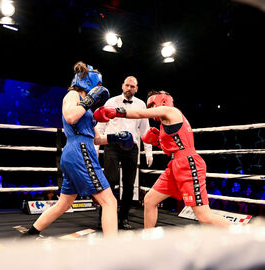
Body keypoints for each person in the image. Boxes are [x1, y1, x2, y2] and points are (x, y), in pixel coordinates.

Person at [23, 61, 134, 238]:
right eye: (97, 84)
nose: (99, 88)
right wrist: (89, 100)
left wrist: (116, 137)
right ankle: (114, 249)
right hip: (79, 151)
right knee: (109, 201)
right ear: (88, 82)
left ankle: (29, 235)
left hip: (79, 150)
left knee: (64, 204)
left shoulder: (86, 107)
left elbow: (96, 138)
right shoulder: (73, 95)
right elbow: (70, 117)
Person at [94, 90, 231, 228]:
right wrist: (158, 142)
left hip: (188, 164)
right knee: (149, 200)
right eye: (150, 106)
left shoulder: (171, 111)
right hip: (175, 165)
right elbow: (172, 150)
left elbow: (140, 114)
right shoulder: (166, 123)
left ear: (163, 100)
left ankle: (244, 232)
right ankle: (148, 239)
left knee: (203, 216)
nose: (152, 109)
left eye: (153, 104)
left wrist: (117, 112)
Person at [95, 76, 153, 230]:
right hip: (112, 144)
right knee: (110, 181)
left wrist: (149, 152)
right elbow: (101, 125)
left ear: (136, 88)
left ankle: (123, 218)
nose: (129, 88)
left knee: (129, 185)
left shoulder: (141, 104)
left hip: (131, 147)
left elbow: (145, 131)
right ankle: (103, 217)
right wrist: (95, 148)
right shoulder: (111, 102)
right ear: (122, 86)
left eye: (132, 86)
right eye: (127, 85)